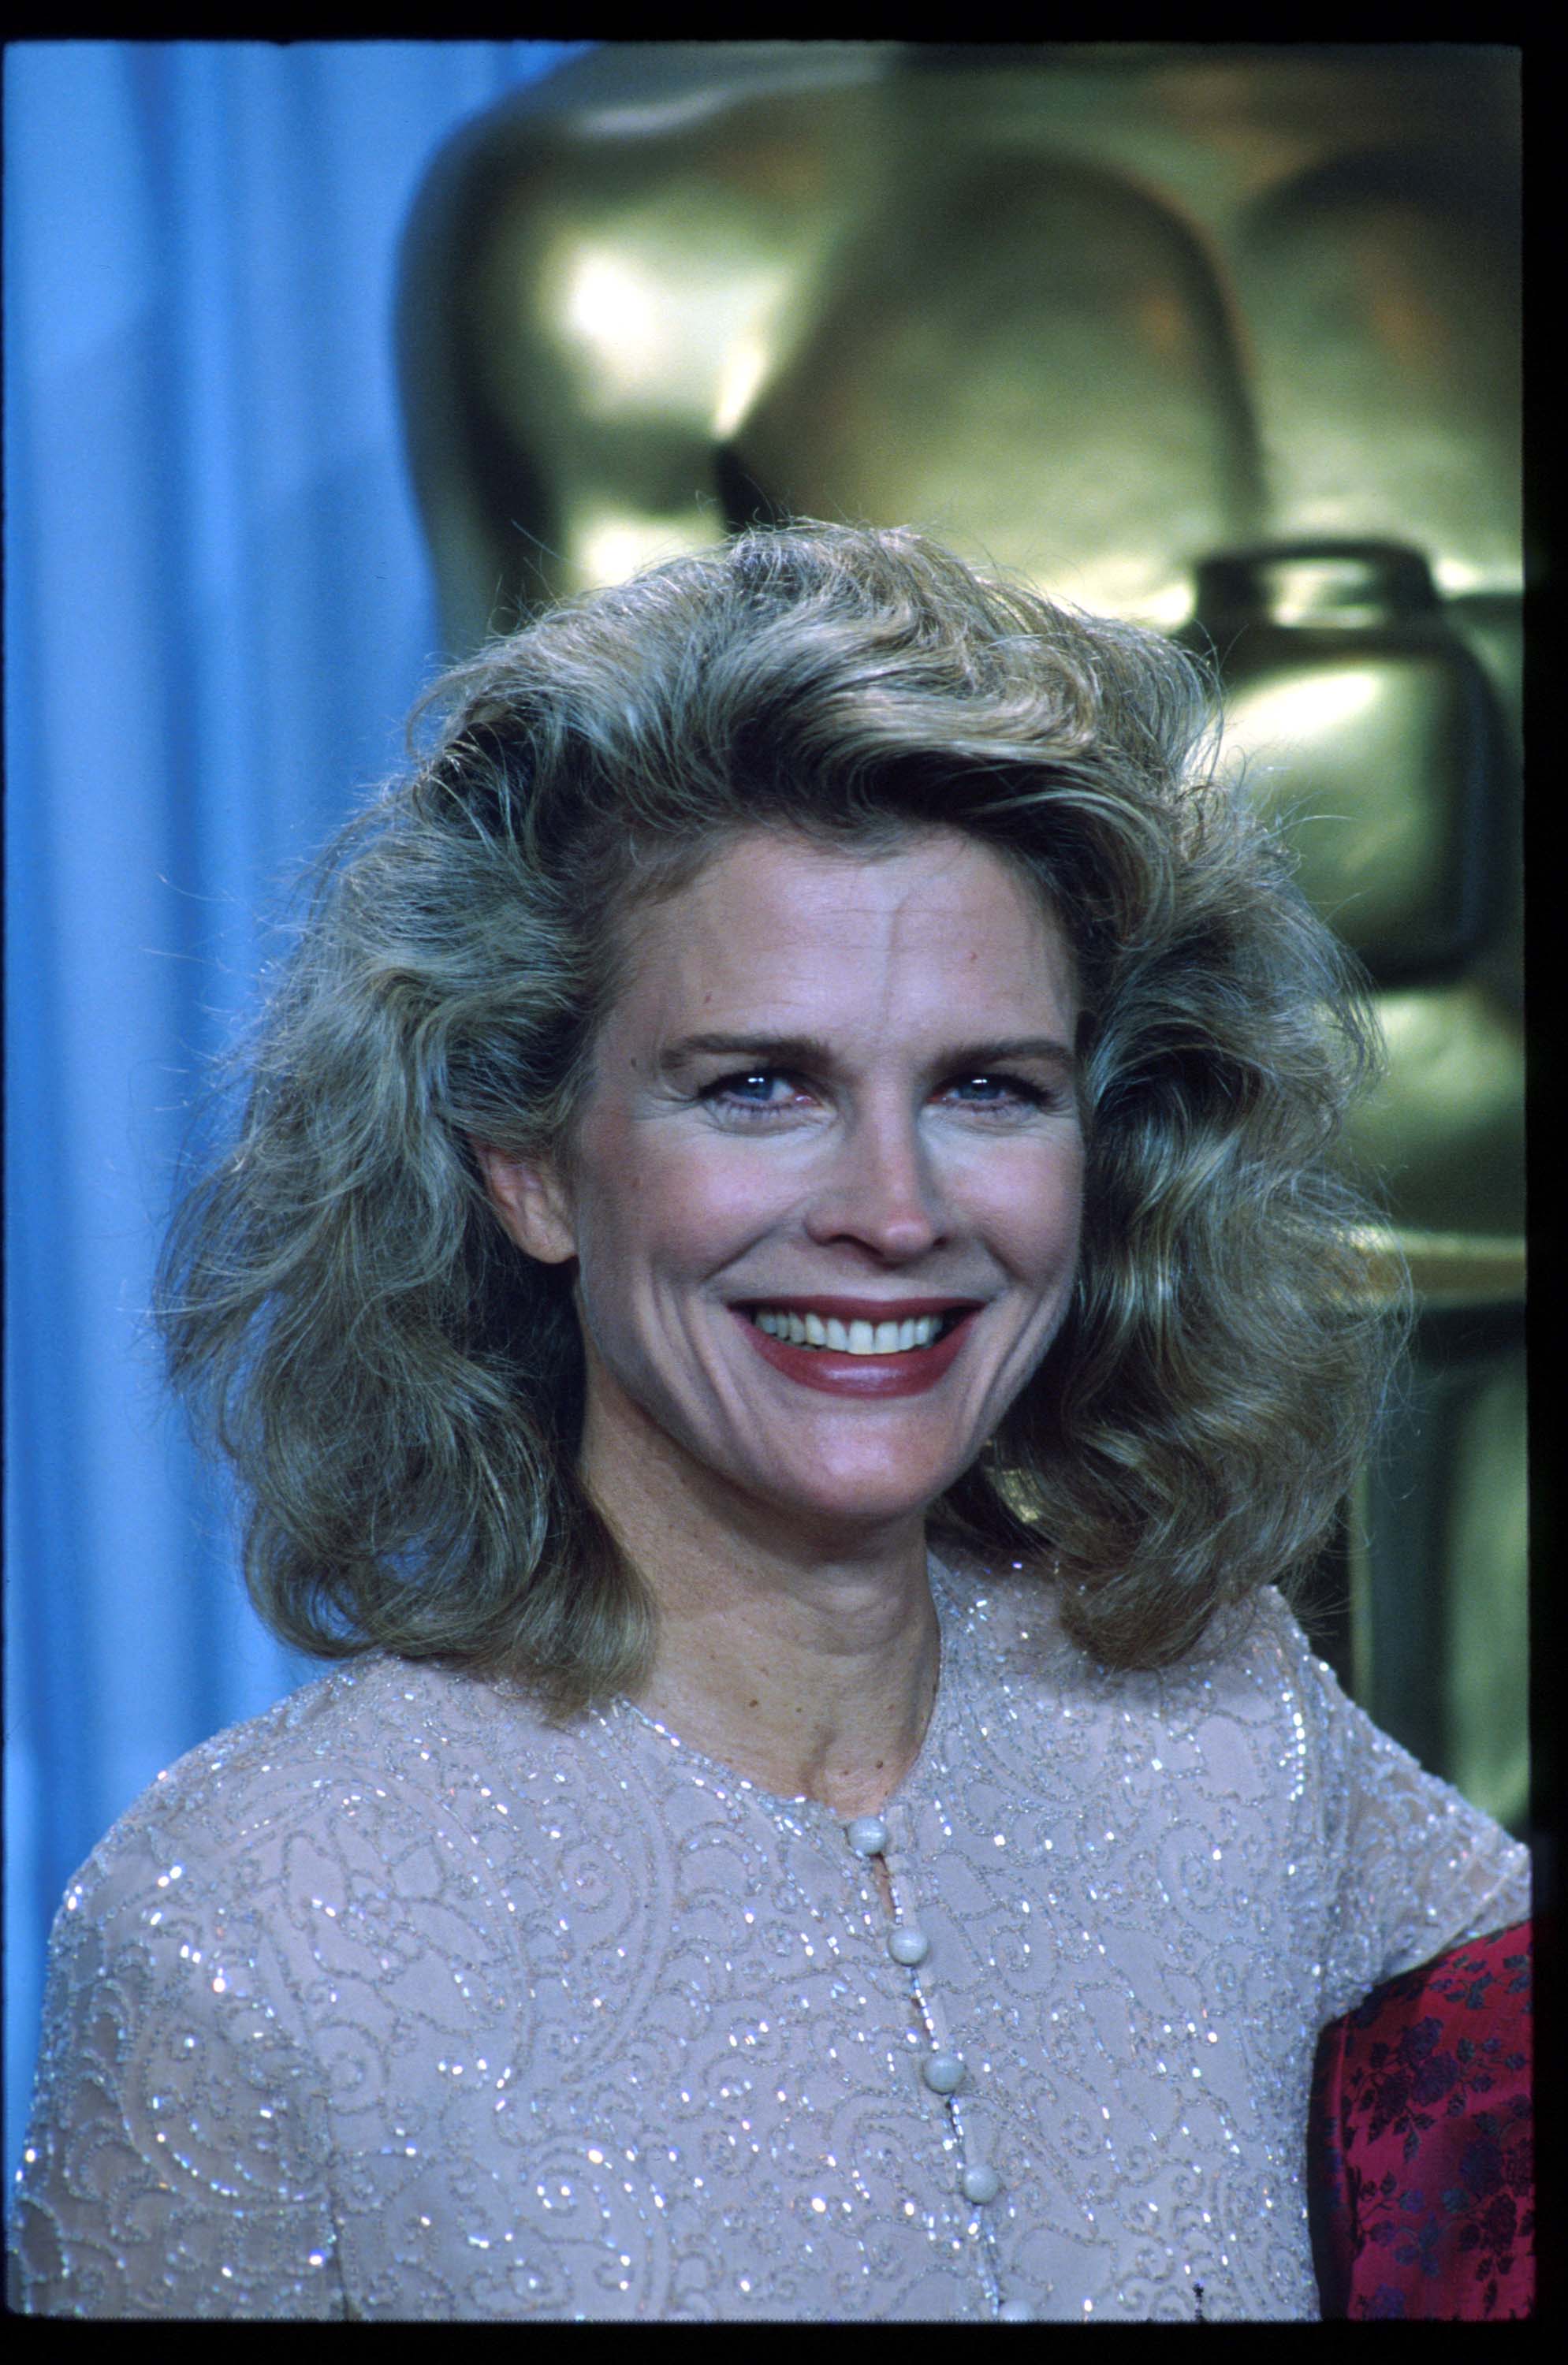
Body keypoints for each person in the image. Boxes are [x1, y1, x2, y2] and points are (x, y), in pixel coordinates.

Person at [7, 522, 1529, 2321]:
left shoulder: (1230, 1729)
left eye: (985, 1089)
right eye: (757, 1088)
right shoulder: (242, 1929)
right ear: (526, 1161)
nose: (893, 1210)